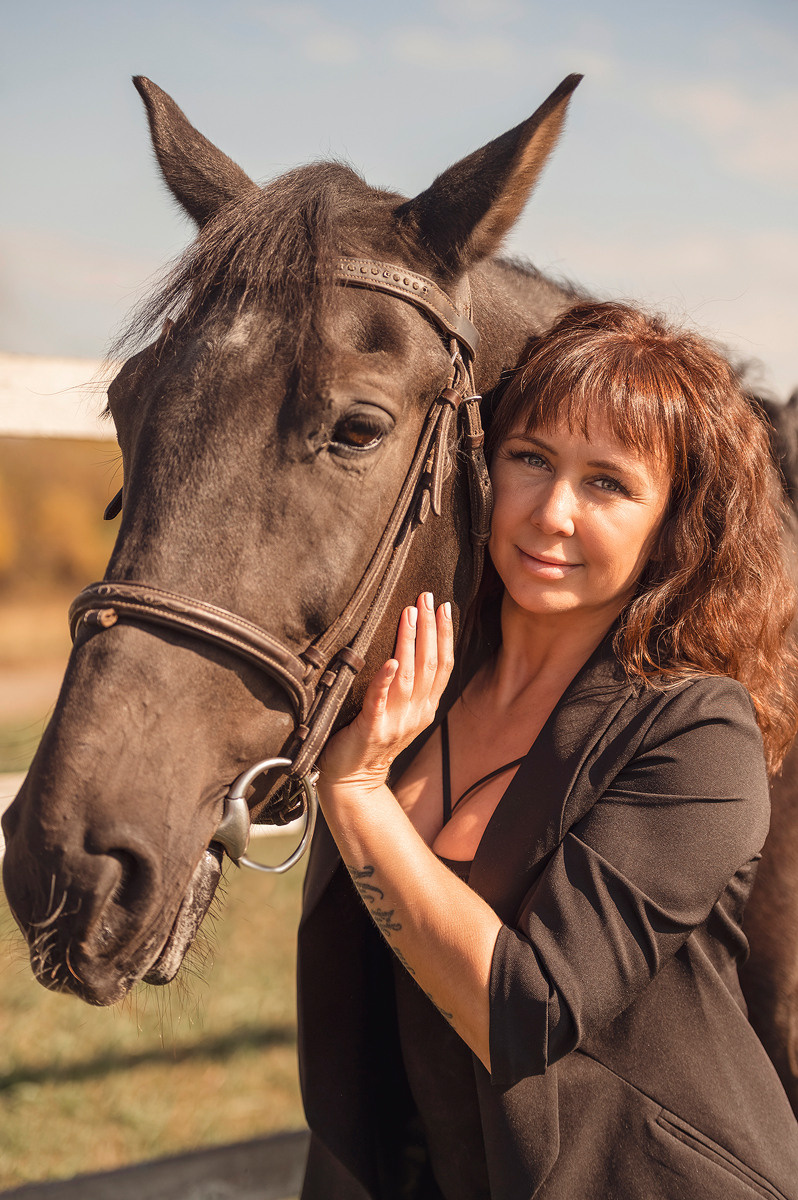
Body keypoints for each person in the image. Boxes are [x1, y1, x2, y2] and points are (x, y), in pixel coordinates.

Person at [297, 301, 798, 1199]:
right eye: (531, 458)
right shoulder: (421, 682)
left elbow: (527, 1012)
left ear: (674, 524)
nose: (552, 512)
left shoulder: (697, 733)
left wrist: (361, 793)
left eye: (608, 483)